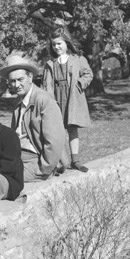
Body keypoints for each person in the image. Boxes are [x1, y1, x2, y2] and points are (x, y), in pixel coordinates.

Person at [0, 55, 65, 181]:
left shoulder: (44, 101)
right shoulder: (18, 102)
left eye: (20, 79)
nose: (16, 85)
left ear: (30, 77)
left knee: (4, 179)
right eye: (12, 81)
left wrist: (44, 169)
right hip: (18, 155)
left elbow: (55, 141)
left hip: (36, 159)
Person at [42, 27, 93, 172]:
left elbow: (88, 74)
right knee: (56, 131)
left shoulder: (78, 59)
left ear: (67, 43)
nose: (56, 47)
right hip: (55, 99)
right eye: (54, 44)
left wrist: (79, 84)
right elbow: (46, 84)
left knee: (72, 129)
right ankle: (58, 162)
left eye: (59, 43)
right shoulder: (50, 64)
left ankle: (75, 161)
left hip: (71, 98)